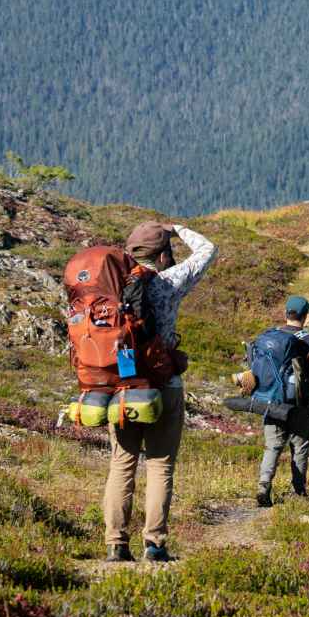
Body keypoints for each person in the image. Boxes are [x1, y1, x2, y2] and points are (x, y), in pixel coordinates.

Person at [104, 220, 214, 563]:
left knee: (122, 464)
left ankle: (115, 544)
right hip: (164, 386)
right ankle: (154, 544)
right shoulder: (168, 283)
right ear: (163, 254)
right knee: (160, 465)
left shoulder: (113, 286)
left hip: (122, 387)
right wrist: (179, 228)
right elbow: (208, 250)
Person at [255, 294, 309, 508]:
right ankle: (299, 491)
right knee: (300, 446)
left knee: (272, 446)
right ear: (305, 315)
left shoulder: (270, 337)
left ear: (286, 314)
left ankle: (263, 486)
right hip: (301, 403)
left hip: (272, 401)